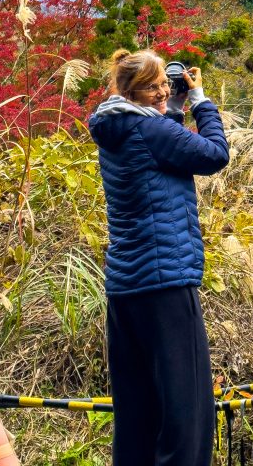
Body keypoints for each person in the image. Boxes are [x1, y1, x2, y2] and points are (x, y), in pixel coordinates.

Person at [88, 49, 229, 466]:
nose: (163, 91)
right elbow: (214, 154)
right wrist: (200, 100)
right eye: (154, 87)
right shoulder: (151, 133)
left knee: (139, 413)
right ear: (131, 92)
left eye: (165, 84)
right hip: (166, 283)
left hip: (126, 290)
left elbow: (163, 149)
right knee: (187, 412)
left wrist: (173, 107)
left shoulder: (116, 128)